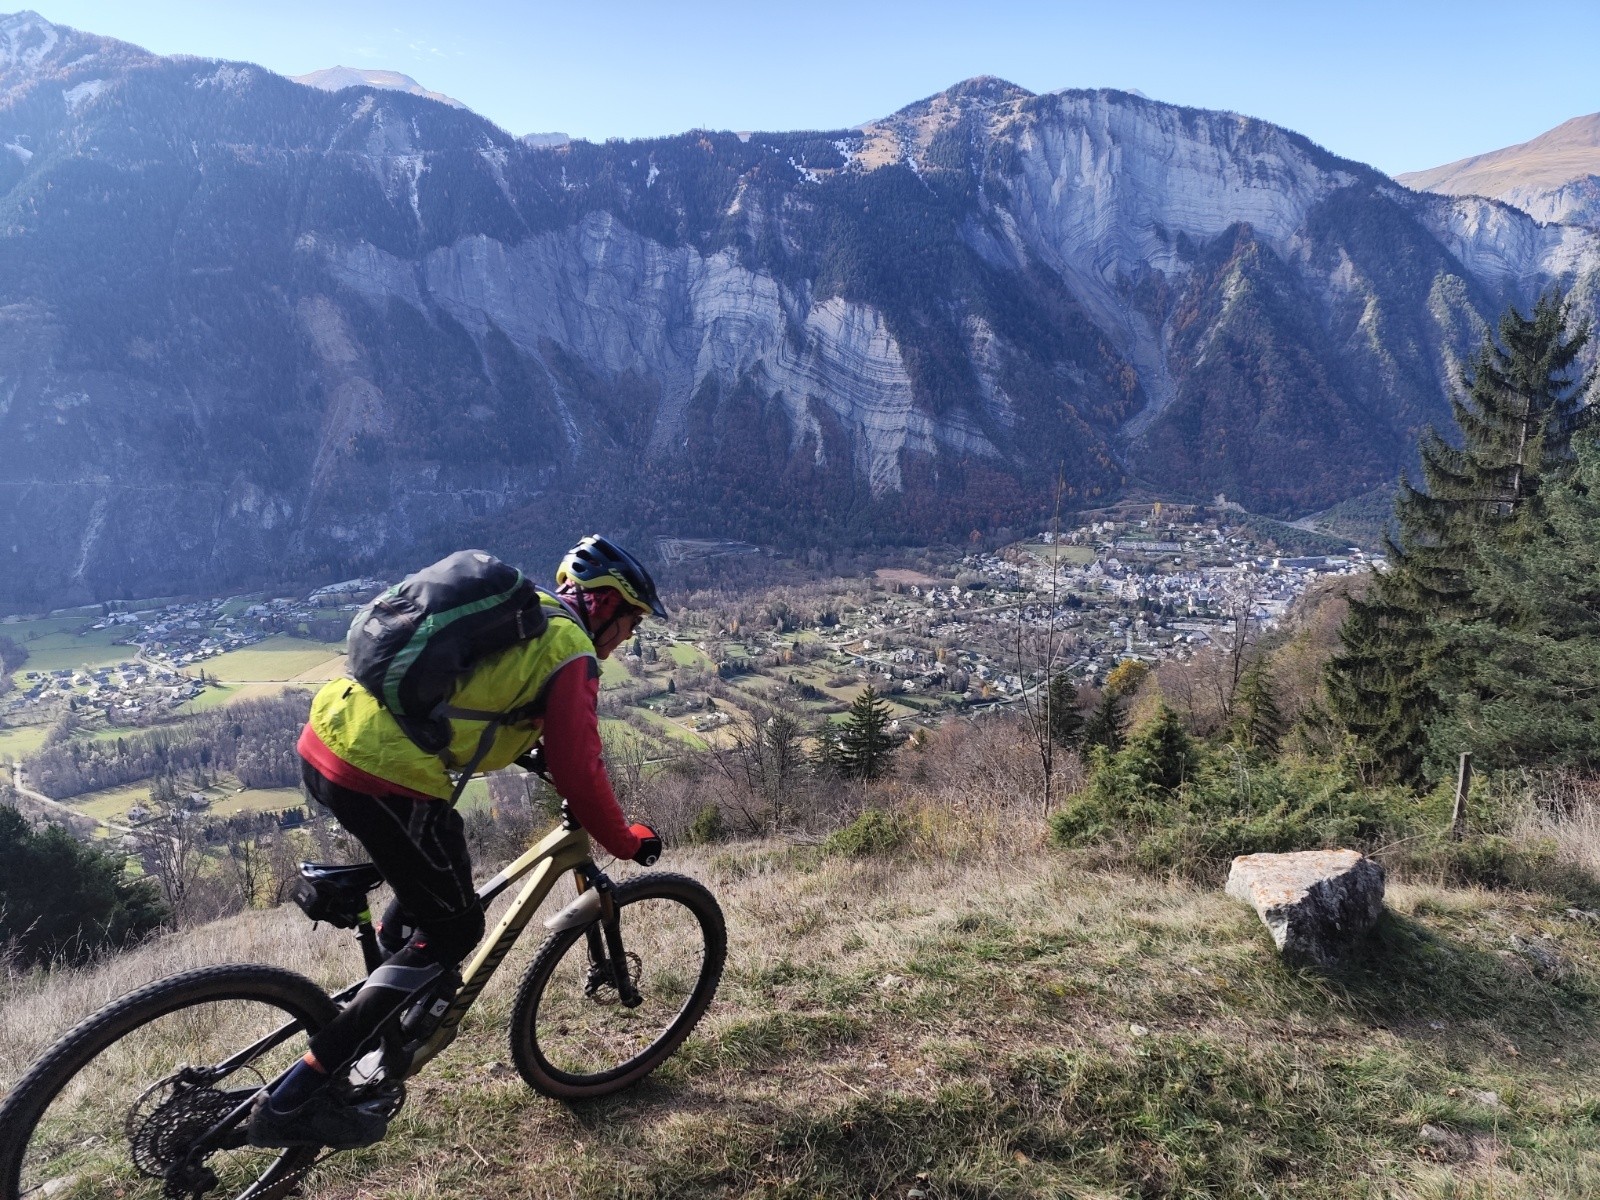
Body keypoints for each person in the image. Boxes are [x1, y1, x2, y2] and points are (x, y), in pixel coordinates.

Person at [248, 535, 667, 1149]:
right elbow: (581, 770)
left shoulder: (527, 623)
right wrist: (626, 842)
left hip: (333, 733)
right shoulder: (571, 648)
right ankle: (294, 1099)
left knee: (442, 872)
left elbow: (484, 704)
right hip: (382, 773)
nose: (628, 637)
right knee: (456, 931)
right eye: (631, 622)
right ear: (607, 606)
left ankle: (403, 994)